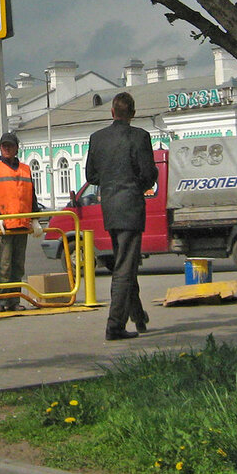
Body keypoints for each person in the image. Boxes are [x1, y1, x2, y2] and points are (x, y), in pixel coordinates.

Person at [86, 92, 158, 341]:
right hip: (130, 207)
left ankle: (138, 316)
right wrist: (134, 186)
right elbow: (150, 174)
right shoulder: (139, 137)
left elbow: (91, 176)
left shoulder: (97, 139)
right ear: (133, 114)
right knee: (125, 266)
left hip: (110, 206)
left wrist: (111, 183)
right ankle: (114, 325)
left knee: (124, 260)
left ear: (112, 112)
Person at [0, 131, 40, 313]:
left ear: (16, 148)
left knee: (18, 267)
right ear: (0, 148)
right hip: (4, 227)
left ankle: (14, 300)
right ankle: (0, 301)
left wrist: (35, 219)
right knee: (4, 266)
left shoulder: (25, 169)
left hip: (22, 225)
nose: (7, 148)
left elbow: (32, 196)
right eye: (4, 145)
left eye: (10, 146)